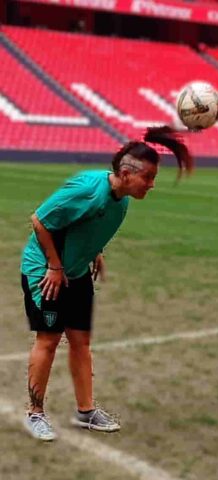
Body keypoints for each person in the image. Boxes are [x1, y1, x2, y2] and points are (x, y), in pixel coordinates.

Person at [20, 126, 193, 441]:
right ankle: (35, 414)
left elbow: (86, 225)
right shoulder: (87, 190)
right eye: (148, 178)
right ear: (126, 174)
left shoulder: (121, 198)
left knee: (81, 342)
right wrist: (55, 266)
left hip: (77, 272)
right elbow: (40, 220)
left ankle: (86, 412)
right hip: (46, 271)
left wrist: (95, 251)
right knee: (48, 340)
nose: (152, 185)